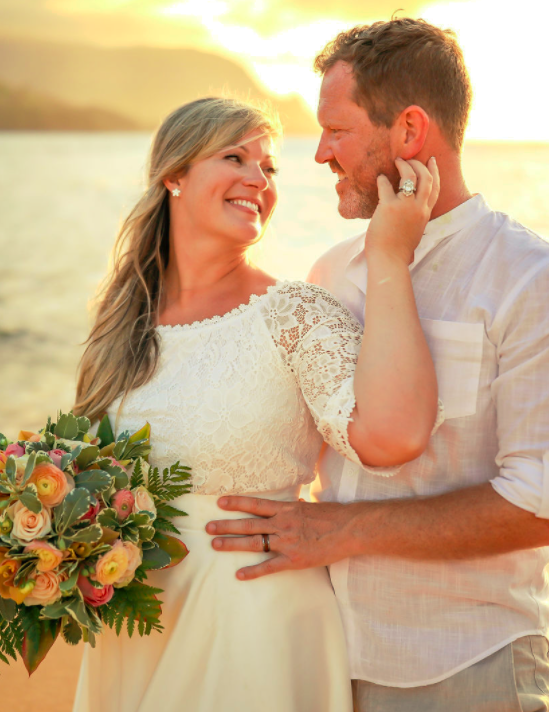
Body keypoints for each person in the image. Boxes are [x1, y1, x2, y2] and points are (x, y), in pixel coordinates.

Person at [208, 18, 549, 712]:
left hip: (466, 666)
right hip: (320, 658)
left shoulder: (536, 281)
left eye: (336, 131)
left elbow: (544, 507)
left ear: (407, 131)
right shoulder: (333, 273)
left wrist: (340, 532)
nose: (320, 156)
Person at [69, 96, 442, 712]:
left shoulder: (295, 314)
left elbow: (393, 436)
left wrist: (389, 256)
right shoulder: (120, 326)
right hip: (136, 626)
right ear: (175, 175)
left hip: (254, 620)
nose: (257, 181)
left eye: (269, 169)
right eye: (235, 157)